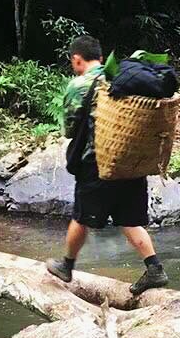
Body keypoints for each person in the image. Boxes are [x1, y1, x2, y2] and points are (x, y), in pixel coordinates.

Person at [45, 36, 169, 295]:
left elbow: (70, 128)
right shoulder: (123, 79)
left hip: (97, 163)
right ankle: (154, 268)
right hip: (130, 162)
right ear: (101, 59)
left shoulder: (79, 85)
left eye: (74, 62)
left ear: (76, 59)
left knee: (81, 216)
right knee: (130, 219)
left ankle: (66, 265)